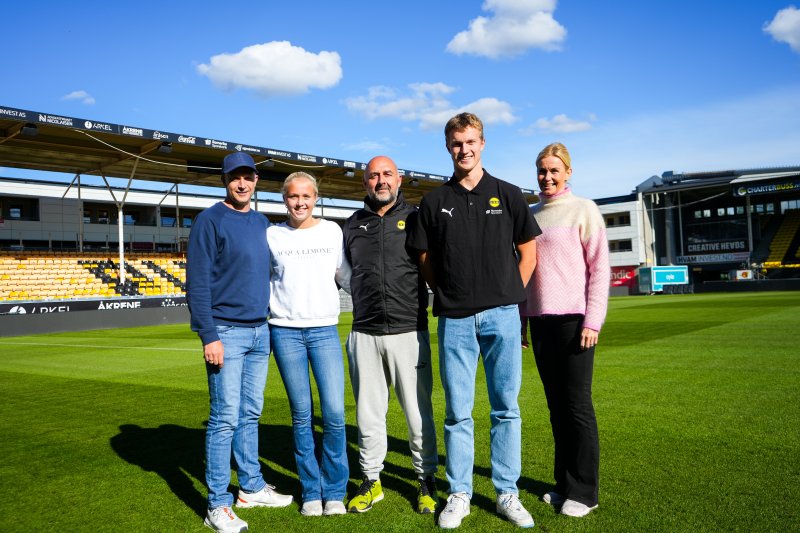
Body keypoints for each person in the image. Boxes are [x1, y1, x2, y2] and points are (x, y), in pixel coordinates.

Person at [407, 112, 541, 529]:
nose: (464, 150)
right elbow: (425, 259)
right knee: (457, 412)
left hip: (502, 316)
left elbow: (529, 253)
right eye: (456, 143)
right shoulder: (433, 201)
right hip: (456, 319)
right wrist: (450, 293)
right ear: (448, 147)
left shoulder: (509, 194)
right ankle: (460, 492)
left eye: (470, 142)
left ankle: (507, 493)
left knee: (506, 408)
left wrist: (506, 295)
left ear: (483, 143)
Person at [187, 152, 292, 533]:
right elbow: (197, 283)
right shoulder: (209, 221)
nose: (242, 184)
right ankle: (217, 504)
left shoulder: (263, 222)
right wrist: (208, 335)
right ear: (225, 181)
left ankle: (250, 486)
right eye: (235, 178)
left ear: (256, 180)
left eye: (248, 177)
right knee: (224, 418)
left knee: (250, 413)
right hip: (225, 333)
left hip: (258, 331)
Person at [342, 155, 438, 515]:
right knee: (368, 414)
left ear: (399, 180)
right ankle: (371, 480)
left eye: (387, 175)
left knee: (417, 414)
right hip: (363, 332)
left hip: (408, 331)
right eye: (373, 176)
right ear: (364, 183)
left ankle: (425, 480)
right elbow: (344, 275)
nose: (380, 181)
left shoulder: (416, 218)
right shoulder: (352, 224)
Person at [523, 142, 610, 518]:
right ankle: (563, 486)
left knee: (576, 408)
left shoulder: (584, 210)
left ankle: (585, 492)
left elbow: (600, 269)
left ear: (568, 172)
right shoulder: (530, 215)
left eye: (554, 170)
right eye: (542, 170)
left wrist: (593, 320)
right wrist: (523, 319)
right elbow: (526, 273)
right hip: (541, 323)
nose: (547, 177)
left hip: (575, 323)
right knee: (556, 409)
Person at [267, 171, 351, 517]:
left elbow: (344, 276)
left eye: (306, 196)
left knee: (333, 413)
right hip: (285, 331)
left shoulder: (332, 231)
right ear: (284, 199)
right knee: (301, 415)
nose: (299, 202)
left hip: (324, 331)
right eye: (292, 196)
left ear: (316, 198)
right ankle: (311, 491)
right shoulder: (272, 234)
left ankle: (334, 491)